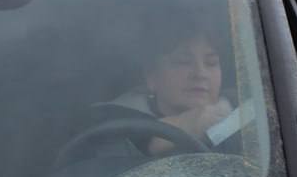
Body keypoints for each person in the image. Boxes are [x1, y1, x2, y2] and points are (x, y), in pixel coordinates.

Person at [92, 18, 233, 156]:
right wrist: (181, 126)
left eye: (211, 62)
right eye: (183, 62)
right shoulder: (108, 120)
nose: (200, 73)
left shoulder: (242, 107)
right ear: (151, 76)